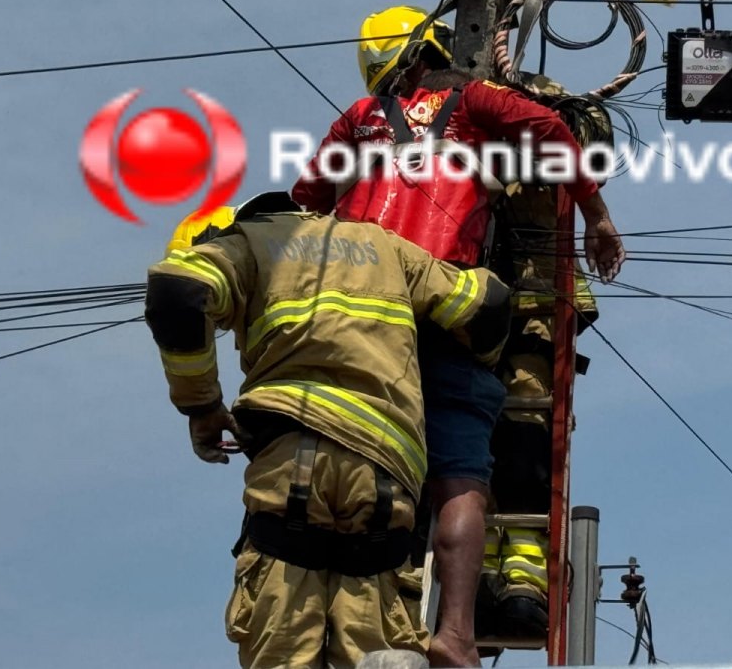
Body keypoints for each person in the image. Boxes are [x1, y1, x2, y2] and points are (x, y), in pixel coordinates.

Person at [292, 5, 626, 665]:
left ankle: (369, 619)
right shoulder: (474, 102)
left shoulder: (358, 119)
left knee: (371, 468)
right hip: (450, 310)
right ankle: (456, 635)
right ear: (436, 48)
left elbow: (306, 201)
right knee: (461, 477)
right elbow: (555, 131)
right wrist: (598, 216)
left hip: (359, 323)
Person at [144, 191, 512, 669]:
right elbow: (486, 303)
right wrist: (471, 372)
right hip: (383, 475)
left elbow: (177, 292)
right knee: (376, 652)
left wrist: (202, 407)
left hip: (293, 464)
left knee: (282, 650)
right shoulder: (383, 244)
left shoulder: (246, 244)